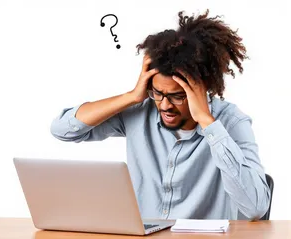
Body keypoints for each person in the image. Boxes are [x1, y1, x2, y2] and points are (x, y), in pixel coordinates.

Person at [50, 9, 270, 220]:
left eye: (177, 96)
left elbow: (256, 208)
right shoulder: (141, 111)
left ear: (202, 88)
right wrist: (132, 96)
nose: (164, 105)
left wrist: (207, 121)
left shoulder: (231, 123)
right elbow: (62, 130)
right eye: (158, 93)